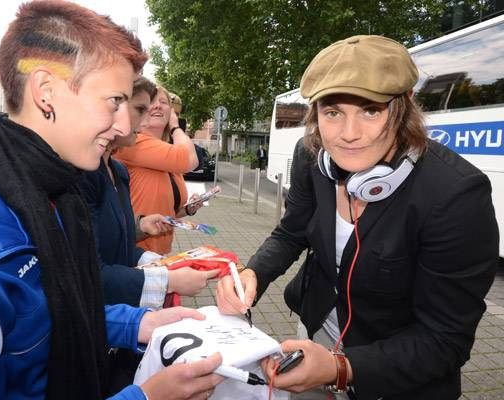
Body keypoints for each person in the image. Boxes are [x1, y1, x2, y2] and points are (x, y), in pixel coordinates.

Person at [0, 2, 223, 400]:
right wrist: (146, 397)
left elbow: (51, 312)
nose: (126, 125)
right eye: (114, 101)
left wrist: (140, 323)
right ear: (46, 91)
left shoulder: (46, 192)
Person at [216, 35, 498, 400]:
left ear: (404, 106)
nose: (348, 135)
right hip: (316, 342)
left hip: (400, 379)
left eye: (370, 110)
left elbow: (445, 339)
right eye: (332, 112)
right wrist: (252, 273)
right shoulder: (312, 156)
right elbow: (291, 232)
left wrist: (341, 368)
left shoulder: (456, 194)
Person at [80, 77, 220, 391]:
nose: (144, 119)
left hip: (115, 319)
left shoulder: (116, 172)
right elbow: (90, 272)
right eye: (140, 109)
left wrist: (151, 245)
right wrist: (168, 278)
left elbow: (113, 242)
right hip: (99, 324)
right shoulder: (85, 174)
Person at [115, 86, 202, 255]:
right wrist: (175, 128)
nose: (157, 106)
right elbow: (191, 160)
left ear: (171, 111)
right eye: (151, 102)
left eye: (163, 102)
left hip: (157, 253)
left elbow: (168, 212)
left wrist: (188, 209)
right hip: (132, 253)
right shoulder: (134, 143)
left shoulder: (168, 154)